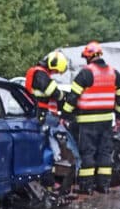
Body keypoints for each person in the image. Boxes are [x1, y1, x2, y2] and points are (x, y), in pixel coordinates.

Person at [62, 41, 120, 194]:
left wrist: (65, 116)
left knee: (88, 153)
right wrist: (119, 117)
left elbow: (72, 97)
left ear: (89, 57)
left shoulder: (86, 73)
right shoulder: (114, 73)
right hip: (106, 121)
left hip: (87, 122)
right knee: (104, 153)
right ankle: (103, 186)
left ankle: (87, 187)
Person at [25, 50, 81, 191]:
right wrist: (63, 96)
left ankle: (49, 180)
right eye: (56, 71)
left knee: (48, 147)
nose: (56, 73)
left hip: (40, 116)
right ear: (52, 65)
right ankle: (73, 174)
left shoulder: (39, 73)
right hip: (42, 116)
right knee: (60, 143)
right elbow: (54, 92)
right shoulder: (40, 74)